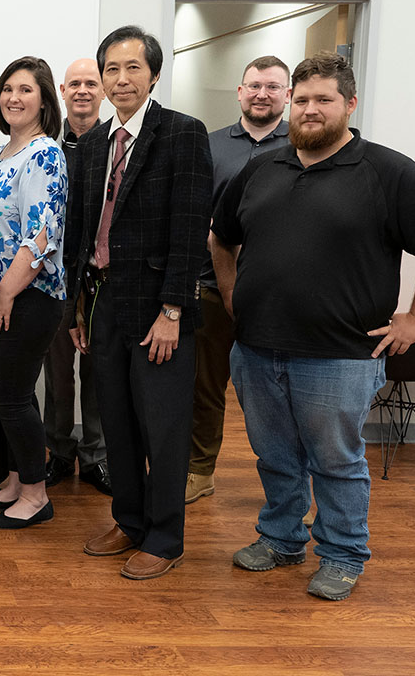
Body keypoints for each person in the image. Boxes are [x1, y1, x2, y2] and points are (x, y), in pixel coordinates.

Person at [211, 52, 415, 601]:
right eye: (301, 100)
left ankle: (343, 553)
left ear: (349, 104)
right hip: (257, 347)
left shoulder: (389, 171)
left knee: (336, 461)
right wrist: (234, 292)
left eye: (323, 100)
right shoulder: (263, 167)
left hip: (341, 355)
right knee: (275, 455)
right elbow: (221, 236)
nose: (309, 109)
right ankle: (281, 539)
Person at [65, 25, 212, 580]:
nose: (121, 79)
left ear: (153, 73)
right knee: (116, 423)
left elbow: (190, 229)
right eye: (111, 69)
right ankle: (128, 519)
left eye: (132, 68)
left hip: (158, 310)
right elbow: (82, 233)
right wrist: (79, 308)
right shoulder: (89, 146)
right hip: (103, 302)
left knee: (163, 426)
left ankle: (165, 537)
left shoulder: (182, 133)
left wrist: (173, 311)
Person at [0, 57, 67, 530]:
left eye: (26, 89)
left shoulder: (45, 153)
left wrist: (5, 292)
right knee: (8, 394)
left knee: (10, 396)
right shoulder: (0, 153)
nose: (14, 98)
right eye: (7, 88)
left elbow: (41, 234)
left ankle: (36, 494)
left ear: (45, 99)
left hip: (27, 294)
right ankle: (15, 478)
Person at [186, 55, 291, 505]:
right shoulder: (210, 145)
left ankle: (287, 487)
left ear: (286, 94)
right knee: (205, 387)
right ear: (240, 92)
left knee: (278, 394)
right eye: (254, 85)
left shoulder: (303, 146)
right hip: (211, 288)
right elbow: (195, 214)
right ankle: (199, 471)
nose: (262, 94)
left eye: (272, 86)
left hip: (279, 295)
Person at [42, 57, 110, 495]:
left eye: (91, 83)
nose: (83, 90)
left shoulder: (116, 143)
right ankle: (60, 453)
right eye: (75, 84)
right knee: (57, 371)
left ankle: (97, 456)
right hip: (54, 277)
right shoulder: (46, 145)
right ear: (62, 92)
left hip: (102, 279)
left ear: (102, 93)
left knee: (99, 370)